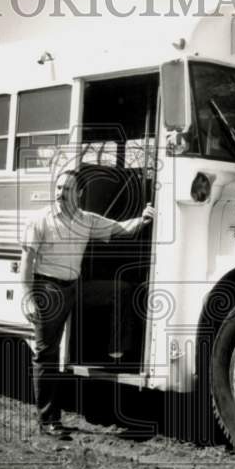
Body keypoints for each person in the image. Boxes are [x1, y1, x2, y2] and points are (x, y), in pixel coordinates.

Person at [20, 168, 155, 438]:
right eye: (58, 188)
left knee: (121, 290)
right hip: (49, 288)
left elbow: (121, 229)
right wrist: (29, 298)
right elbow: (27, 262)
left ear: (79, 194)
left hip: (75, 287)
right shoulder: (41, 220)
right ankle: (48, 420)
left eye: (67, 189)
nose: (61, 193)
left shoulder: (87, 220)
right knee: (47, 355)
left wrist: (144, 219)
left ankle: (117, 351)